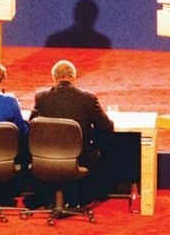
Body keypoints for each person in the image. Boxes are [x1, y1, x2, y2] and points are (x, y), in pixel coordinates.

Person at [30, 59, 115, 199]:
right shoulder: (88, 98)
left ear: (54, 77)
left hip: (45, 155)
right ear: (73, 77)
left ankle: (44, 195)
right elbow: (107, 128)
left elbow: (32, 126)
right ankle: (92, 194)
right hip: (80, 157)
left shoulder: (41, 98)